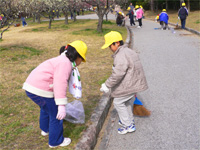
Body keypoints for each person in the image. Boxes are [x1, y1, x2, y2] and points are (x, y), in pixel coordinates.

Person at [22, 40, 87, 148]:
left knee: (46, 108)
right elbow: (59, 84)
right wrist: (61, 105)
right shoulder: (65, 63)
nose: (81, 62)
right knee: (56, 114)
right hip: (41, 89)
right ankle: (55, 141)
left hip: (31, 87)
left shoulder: (62, 59)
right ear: (77, 56)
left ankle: (45, 129)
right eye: (82, 59)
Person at [100, 31, 148, 134]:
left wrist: (107, 85)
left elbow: (118, 74)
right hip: (134, 82)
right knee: (125, 102)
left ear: (117, 43)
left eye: (110, 46)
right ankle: (129, 121)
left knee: (118, 102)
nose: (109, 49)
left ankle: (128, 125)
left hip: (130, 84)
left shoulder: (121, 55)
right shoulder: (128, 51)